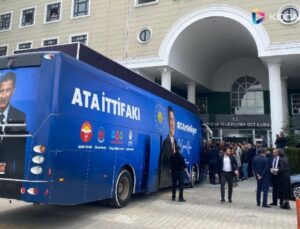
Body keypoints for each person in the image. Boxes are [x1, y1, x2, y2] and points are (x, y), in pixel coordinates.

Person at [0, 72, 26, 198]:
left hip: (8, 177)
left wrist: (18, 186)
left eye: (7, 90)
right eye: (1, 91)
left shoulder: (20, 116)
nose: (3, 95)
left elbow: (19, 155)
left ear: (13, 91)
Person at [160, 106, 178, 188]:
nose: (172, 124)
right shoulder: (165, 142)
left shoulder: (175, 142)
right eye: (170, 120)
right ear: (167, 122)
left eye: (173, 120)